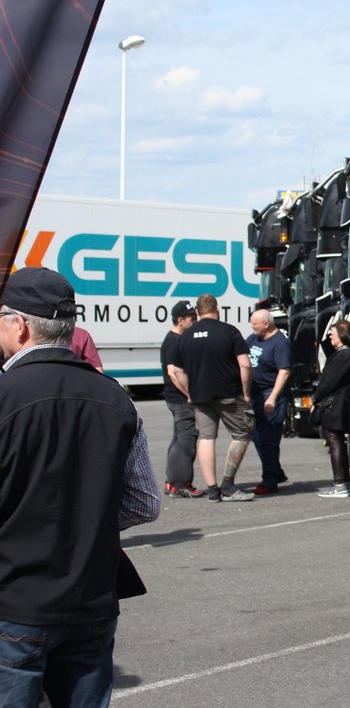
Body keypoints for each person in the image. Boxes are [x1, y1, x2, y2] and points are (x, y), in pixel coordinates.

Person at [0, 267, 161, 704]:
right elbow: (145, 503)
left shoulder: (6, 393)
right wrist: (84, 522)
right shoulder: (116, 396)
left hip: (16, 599)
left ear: (19, 325)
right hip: (91, 597)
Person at [168, 293, 254, 503]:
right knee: (242, 434)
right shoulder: (229, 331)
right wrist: (246, 392)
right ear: (217, 309)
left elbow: (176, 371)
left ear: (197, 312)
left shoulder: (185, 336)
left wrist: (190, 393)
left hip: (200, 396)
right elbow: (245, 364)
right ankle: (228, 484)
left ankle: (213, 490)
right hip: (229, 394)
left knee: (206, 438)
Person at [246, 308, 291, 495]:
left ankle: (269, 480)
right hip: (254, 394)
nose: (252, 327)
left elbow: (284, 372)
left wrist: (272, 397)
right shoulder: (253, 339)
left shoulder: (280, 343)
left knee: (268, 439)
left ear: (266, 324)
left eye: (254, 324)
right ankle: (276, 471)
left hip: (270, 394)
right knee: (256, 436)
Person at [161, 301, 204, 497]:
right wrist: (190, 395)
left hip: (177, 398)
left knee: (179, 438)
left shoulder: (177, 339)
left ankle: (172, 481)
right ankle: (181, 484)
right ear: (180, 320)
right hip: (180, 399)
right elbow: (173, 372)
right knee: (187, 439)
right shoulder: (174, 341)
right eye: (191, 318)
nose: (194, 321)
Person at [313, 319, 350, 498]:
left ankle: (340, 484)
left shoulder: (342, 356)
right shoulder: (348, 354)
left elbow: (329, 380)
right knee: (337, 440)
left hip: (336, 403)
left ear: (342, 335)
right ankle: (345, 483)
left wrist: (316, 398)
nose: (330, 337)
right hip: (341, 401)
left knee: (334, 441)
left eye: (333, 334)